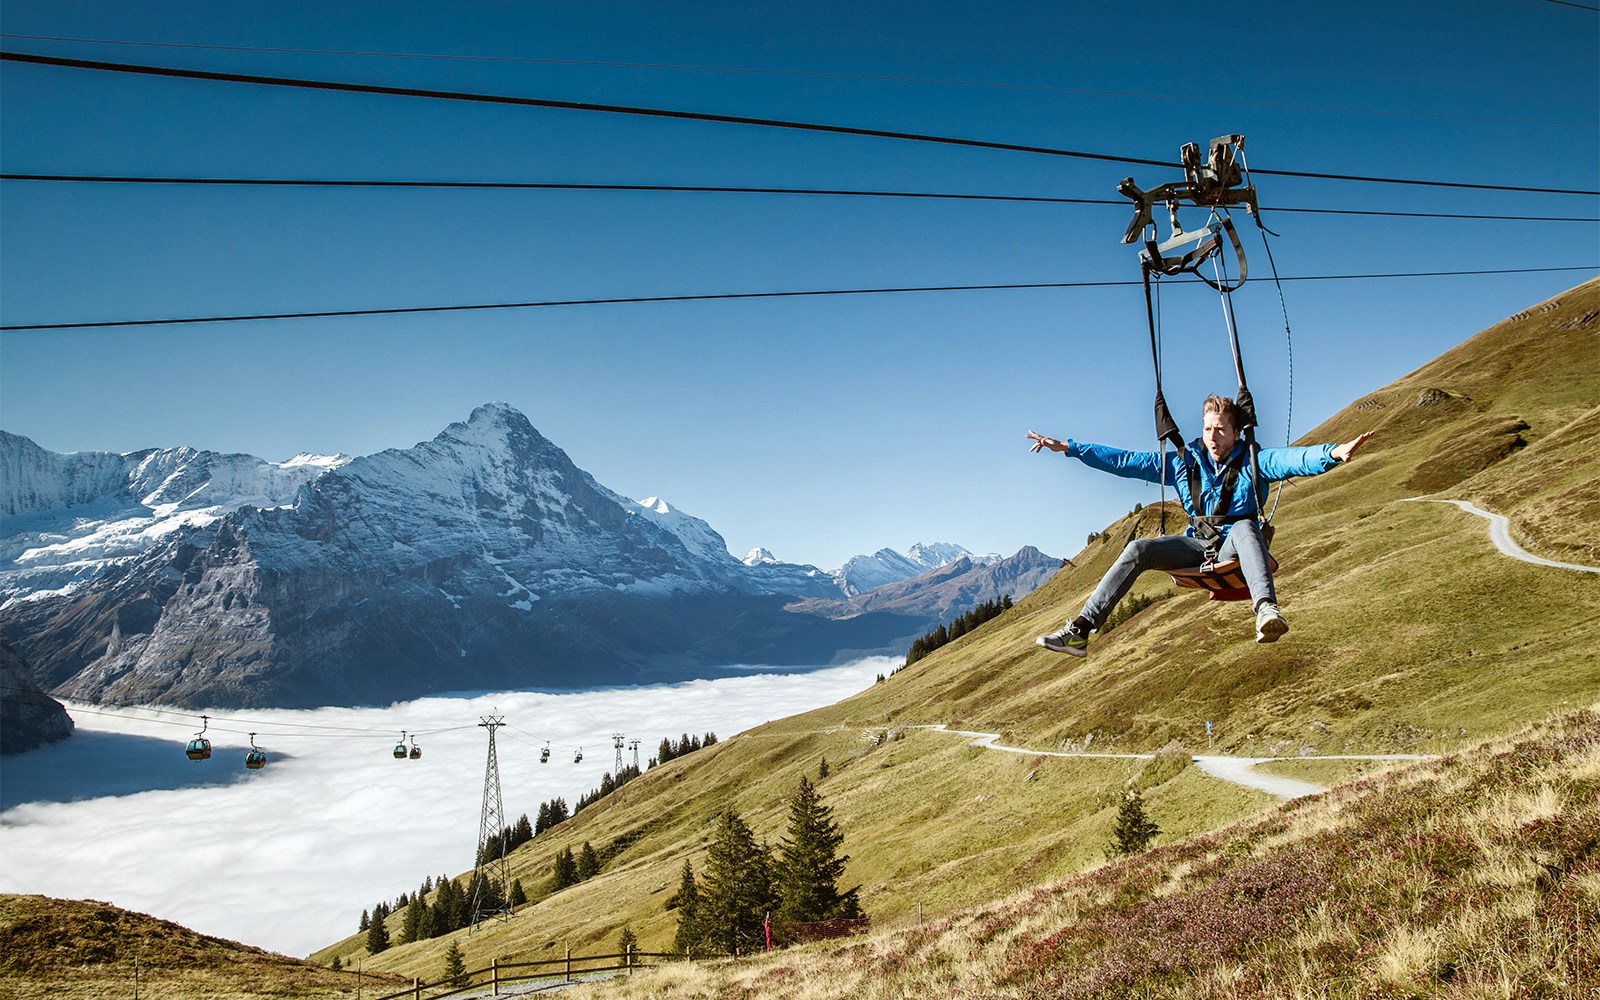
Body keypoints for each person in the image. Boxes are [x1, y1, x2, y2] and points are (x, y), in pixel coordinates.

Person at [1027, 395, 1374, 654]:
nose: (1212, 437)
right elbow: (1126, 461)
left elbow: (1291, 459)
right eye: (1208, 429)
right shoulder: (1184, 462)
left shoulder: (1254, 460)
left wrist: (1330, 453)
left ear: (1236, 433)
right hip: (1195, 546)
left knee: (1244, 528)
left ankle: (1266, 609)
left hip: (1233, 545)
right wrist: (1071, 448)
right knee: (1138, 548)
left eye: (1221, 430)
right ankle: (1081, 630)